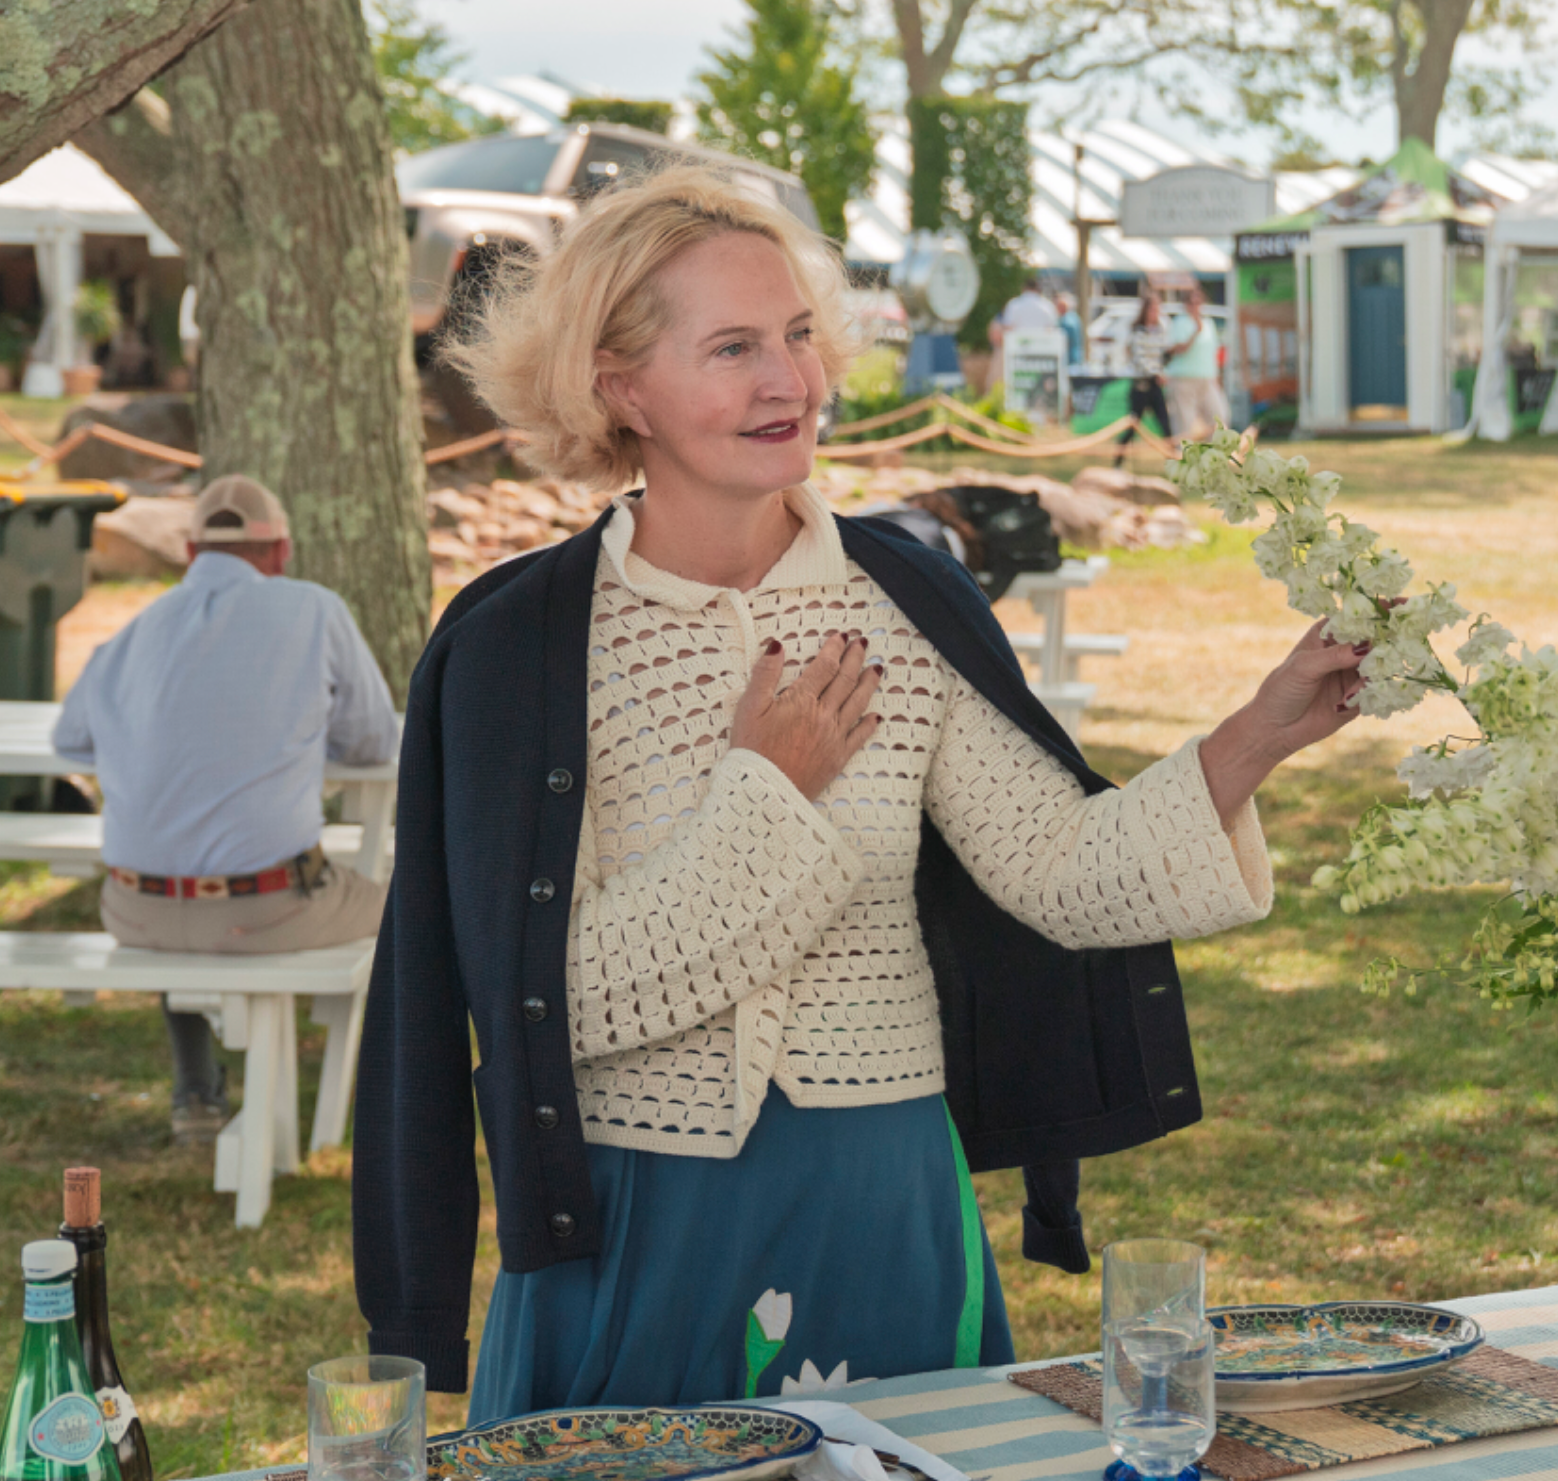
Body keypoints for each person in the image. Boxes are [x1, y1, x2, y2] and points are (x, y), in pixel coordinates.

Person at [352, 165, 1372, 1414]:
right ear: (620, 388)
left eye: (797, 335)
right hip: (636, 1225)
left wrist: (1256, 736)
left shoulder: (905, 599)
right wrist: (767, 793)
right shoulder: (519, 645)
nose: (789, 380)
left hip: (882, 1200)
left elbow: (1061, 871)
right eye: (732, 347)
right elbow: (551, 1004)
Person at [53, 475, 400, 1144]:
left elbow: (71, 739)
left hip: (134, 910)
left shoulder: (132, 631)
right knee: (405, 903)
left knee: (180, 859)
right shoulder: (314, 610)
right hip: (268, 909)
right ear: (281, 551)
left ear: (190, 552)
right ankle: (373, 1103)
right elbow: (374, 743)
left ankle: (195, 1090)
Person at [1164, 285, 1229, 441]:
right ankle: (1182, 452)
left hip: (1206, 378)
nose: (1195, 306)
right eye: (1191, 302)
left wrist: (1216, 377)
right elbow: (1178, 349)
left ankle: (1214, 450)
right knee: (1184, 423)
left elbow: (1213, 353)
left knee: (1219, 416)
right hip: (1184, 379)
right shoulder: (1179, 322)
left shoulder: (1208, 323)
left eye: (1198, 302)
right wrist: (1195, 333)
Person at [1119, 291, 1173, 467]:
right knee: (1132, 427)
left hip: (1155, 386)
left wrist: (1162, 371)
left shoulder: (1161, 330)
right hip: (1141, 385)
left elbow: (1163, 355)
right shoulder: (1137, 332)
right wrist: (1155, 373)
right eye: (1152, 309)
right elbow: (1138, 358)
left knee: (1166, 426)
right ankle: (1118, 462)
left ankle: (1173, 463)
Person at [1057, 291, 1084, 367]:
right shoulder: (1074, 317)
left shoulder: (1065, 321)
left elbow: (1064, 340)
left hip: (1069, 359)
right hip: (1077, 356)